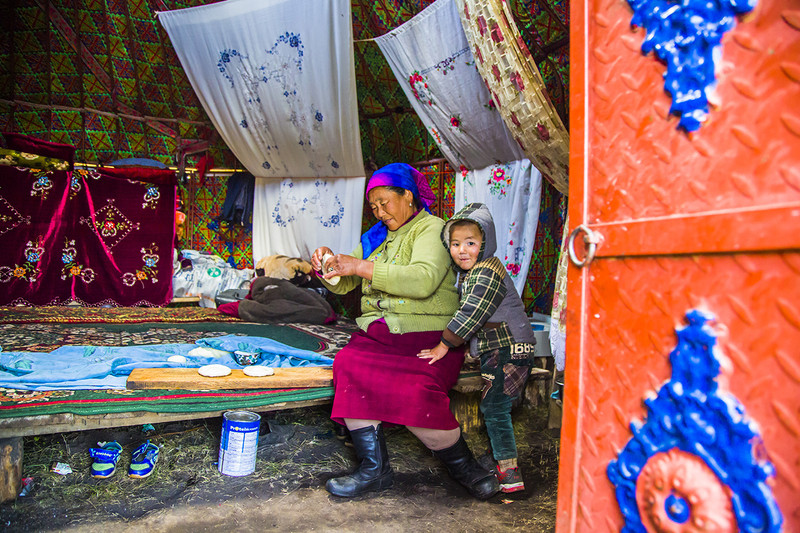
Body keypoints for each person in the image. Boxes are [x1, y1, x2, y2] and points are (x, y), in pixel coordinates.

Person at [311, 163, 499, 500]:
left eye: (385, 203)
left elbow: (423, 280)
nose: (380, 213)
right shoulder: (376, 237)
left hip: (428, 337)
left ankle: (464, 467)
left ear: (407, 196)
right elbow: (345, 281)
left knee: (416, 387)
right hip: (380, 335)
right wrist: (327, 266)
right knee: (349, 364)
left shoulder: (433, 230)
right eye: (374, 207)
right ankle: (374, 469)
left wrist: (360, 266)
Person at [417, 202, 536, 493]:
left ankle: (509, 473)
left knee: (494, 407)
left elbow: (471, 314)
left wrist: (444, 344)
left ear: (486, 243)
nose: (462, 250)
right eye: (455, 243)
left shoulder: (486, 273)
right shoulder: (475, 272)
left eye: (471, 242)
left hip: (509, 348)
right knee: (496, 404)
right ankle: (500, 458)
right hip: (503, 347)